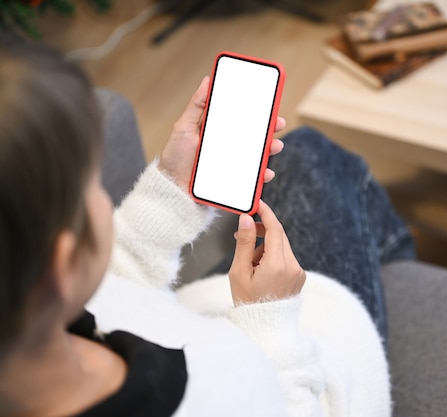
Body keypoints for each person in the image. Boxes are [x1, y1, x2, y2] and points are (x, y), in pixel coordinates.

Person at [0, 36, 415, 416]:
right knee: (315, 157)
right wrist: (270, 317)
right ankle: (394, 261)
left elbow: (117, 290)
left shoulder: (36, 313)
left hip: (209, 315)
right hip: (308, 372)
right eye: (89, 185)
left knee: (296, 160)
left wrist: (172, 191)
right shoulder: (220, 391)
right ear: (64, 259)